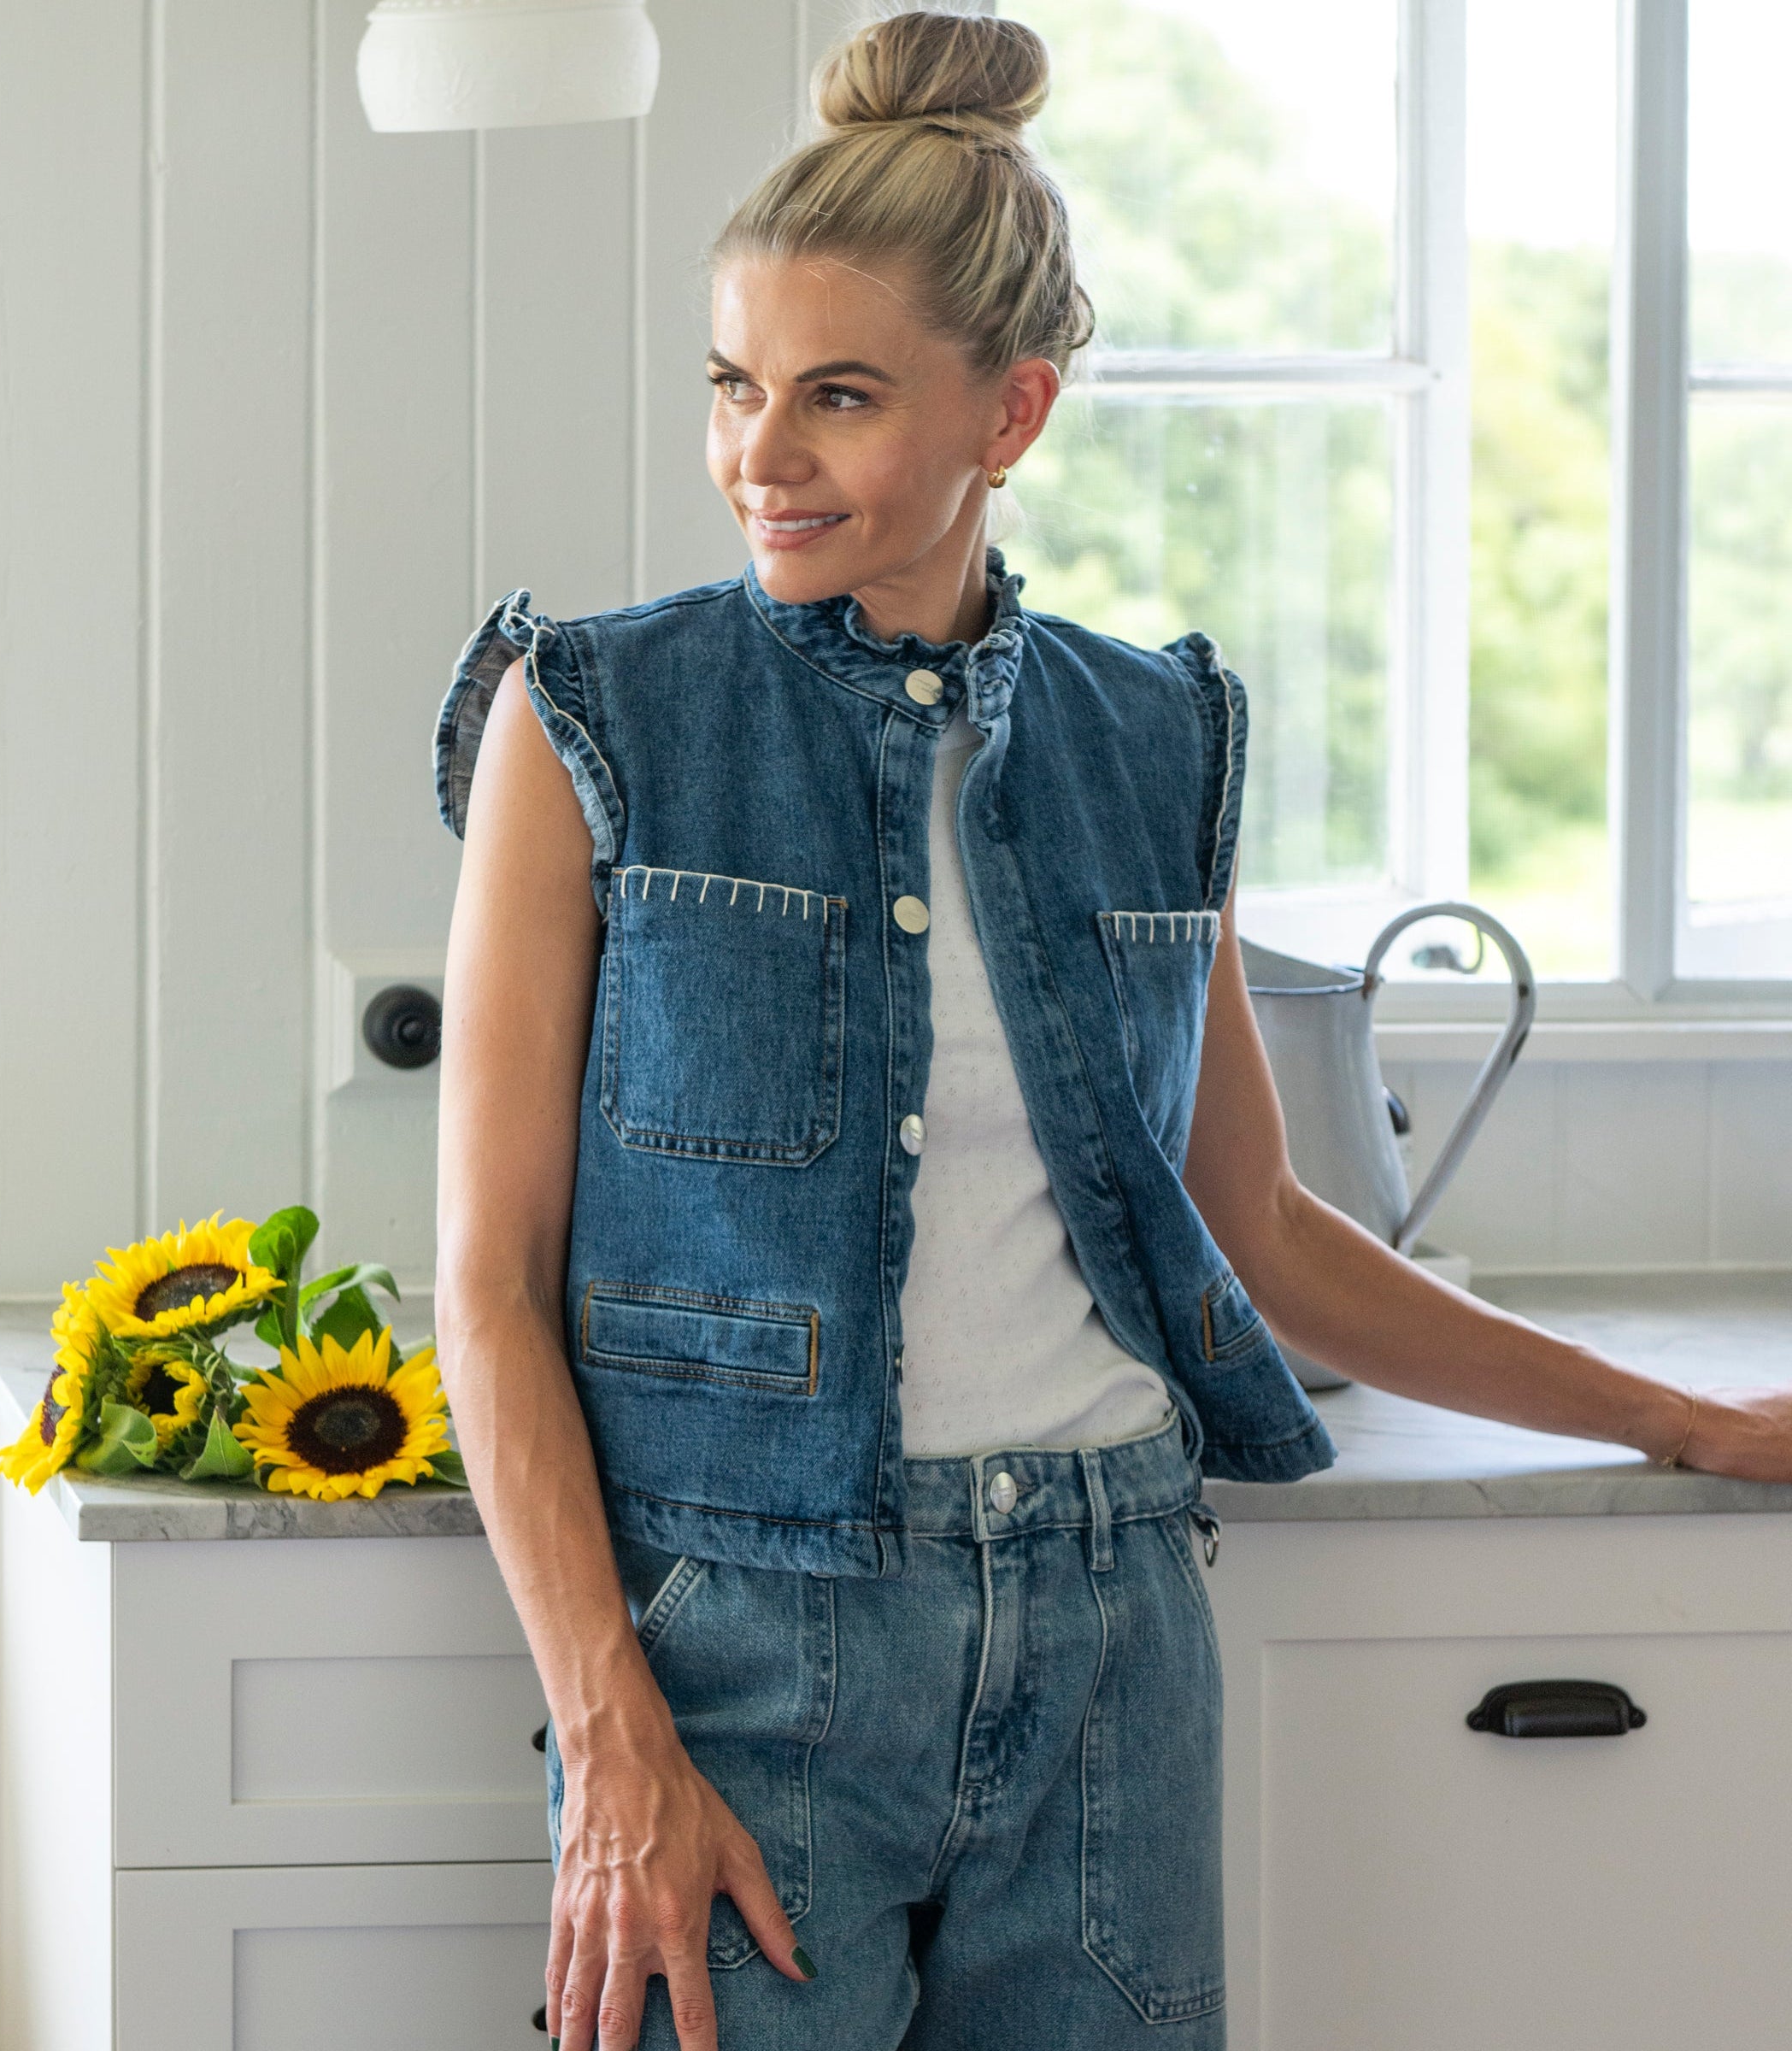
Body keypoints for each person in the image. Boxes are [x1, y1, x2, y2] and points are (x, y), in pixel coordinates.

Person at [432, 15, 1792, 2048]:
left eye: (839, 398)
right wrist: (610, 1735)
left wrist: (1677, 1418)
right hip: (748, 1652)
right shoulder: (595, 720)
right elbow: (486, 1283)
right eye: (734, 386)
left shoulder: (1152, 741)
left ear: (1018, 410)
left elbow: (1262, 1231)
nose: (758, 457)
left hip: (1109, 1637)